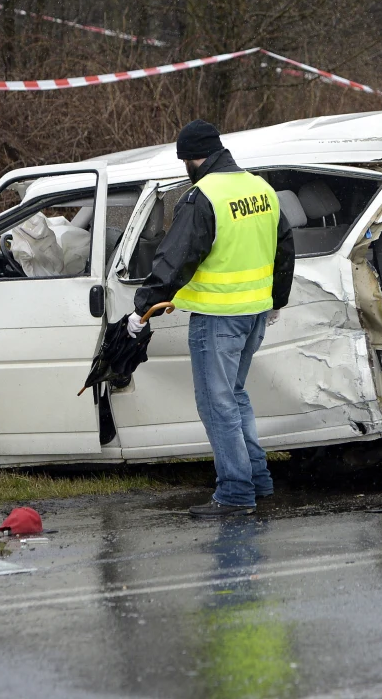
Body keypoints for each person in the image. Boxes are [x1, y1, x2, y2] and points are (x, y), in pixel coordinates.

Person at [131, 120, 295, 517]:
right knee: (235, 396)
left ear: (191, 159)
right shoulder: (261, 189)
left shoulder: (202, 196)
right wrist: (277, 301)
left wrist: (143, 307)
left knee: (216, 403)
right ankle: (257, 479)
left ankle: (236, 492)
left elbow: (176, 257)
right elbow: (285, 247)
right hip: (255, 313)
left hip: (218, 318)